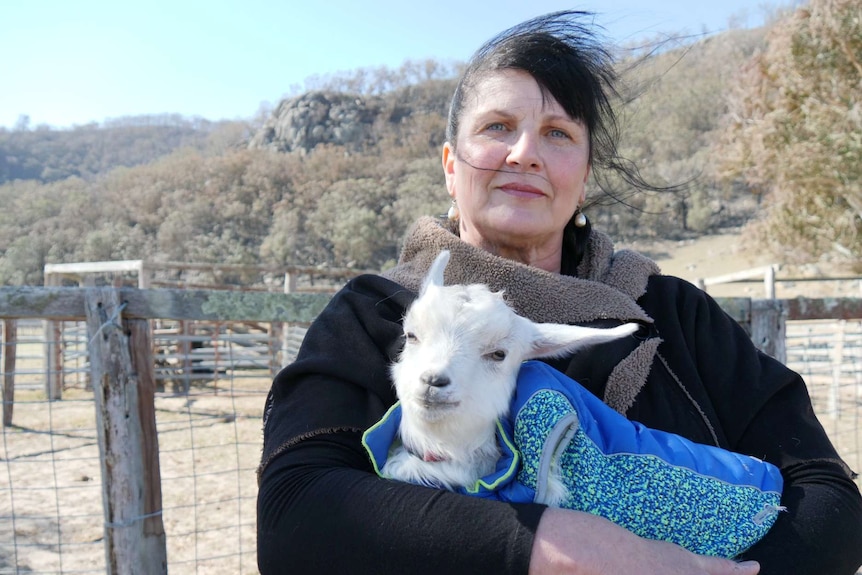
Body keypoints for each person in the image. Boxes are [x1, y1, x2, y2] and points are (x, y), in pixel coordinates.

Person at [257, 10, 862, 575]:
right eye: (498, 127)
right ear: (450, 164)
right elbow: (294, 516)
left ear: (584, 173)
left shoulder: (675, 315)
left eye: (558, 133)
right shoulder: (373, 315)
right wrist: (550, 543)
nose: (525, 154)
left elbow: (828, 501)